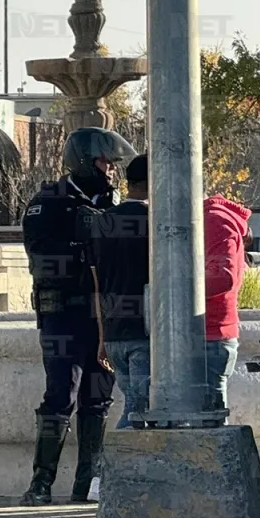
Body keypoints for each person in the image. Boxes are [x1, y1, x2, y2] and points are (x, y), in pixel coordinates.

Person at [19, 127, 137, 506]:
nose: (111, 170)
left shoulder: (113, 201)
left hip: (104, 314)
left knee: (98, 398)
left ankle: (88, 484)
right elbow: (40, 258)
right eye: (106, 162)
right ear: (85, 161)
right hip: (63, 314)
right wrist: (82, 246)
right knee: (59, 395)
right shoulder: (48, 201)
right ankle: (41, 483)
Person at [90, 154, 150, 431]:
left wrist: (103, 338)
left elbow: (97, 282)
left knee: (133, 405)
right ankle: (108, 471)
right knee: (138, 413)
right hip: (145, 334)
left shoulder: (102, 222)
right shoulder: (157, 223)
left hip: (115, 333)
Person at [203, 194, 252, 416]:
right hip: (210, 332)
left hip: (211, 333)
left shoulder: (214, 220)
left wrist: (173, 289)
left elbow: (223, 276)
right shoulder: (212, 218)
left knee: (210, 420)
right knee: (207, 418)